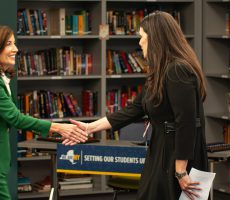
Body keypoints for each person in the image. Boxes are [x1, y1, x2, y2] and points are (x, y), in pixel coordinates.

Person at [64, 11, 208, 200]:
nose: (139, 42)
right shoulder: (160, 72)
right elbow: (134, 109)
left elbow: (187, 122)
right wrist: (89, 127)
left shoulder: (177, 70)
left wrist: (180, 171)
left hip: (176, 157)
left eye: (142, 37)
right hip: (161, 151)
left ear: (156, 39)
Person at [0, 25, 87, 200]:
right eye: (9, 43)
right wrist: (59, 128)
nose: (16, 49)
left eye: (14, 43)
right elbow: (15, 118)